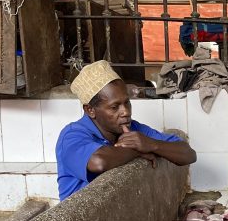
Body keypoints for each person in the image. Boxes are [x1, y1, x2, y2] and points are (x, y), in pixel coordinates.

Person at [56, 60, 196, 200]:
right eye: (114, 107)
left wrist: (152, 144)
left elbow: (188, 154)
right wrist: (138, 149)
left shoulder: (133, 128)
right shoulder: (72, 135)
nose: (125, 112)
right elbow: (99, 162)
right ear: (90, 110)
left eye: (127, 103)